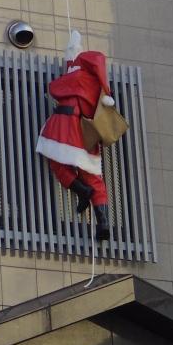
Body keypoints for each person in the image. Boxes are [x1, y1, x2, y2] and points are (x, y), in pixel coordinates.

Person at [35, 30, 115, 242]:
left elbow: (56, 87)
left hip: (65, 125)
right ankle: (103, 222)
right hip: (87, 132)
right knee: (93, 176)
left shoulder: (74, 79)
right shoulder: (95, 86)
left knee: (57, 162)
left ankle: (81, 190)